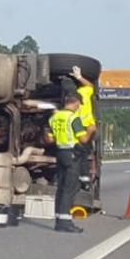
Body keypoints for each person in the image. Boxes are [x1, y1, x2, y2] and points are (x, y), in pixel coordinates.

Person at [45, 87, 91, 233]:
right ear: (76, 102)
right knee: (69, 188)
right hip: (72, 154)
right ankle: (65, 223)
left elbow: (49, 139)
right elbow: (83, 138)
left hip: (60, 153)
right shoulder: (73, 118)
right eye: (79, 104)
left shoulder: (54, 118)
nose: (79, 107)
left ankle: (59, 219)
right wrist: (90, 130)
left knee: (61, 187)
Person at [69, 67, 98, 187]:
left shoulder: (80, 94)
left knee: (80, 151)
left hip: (82, 128)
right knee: (81, 152)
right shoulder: (84, 92)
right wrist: (79, 77)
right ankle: (83, 177)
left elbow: (90, 87)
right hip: (83, 128)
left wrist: (79, 77)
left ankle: (83, 177)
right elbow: (91, 86)